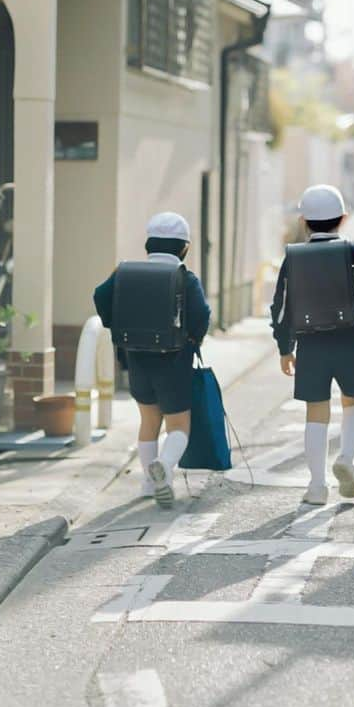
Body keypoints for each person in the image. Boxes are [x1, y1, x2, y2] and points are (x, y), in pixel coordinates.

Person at [270, 185, 354, 506]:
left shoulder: (294, 257)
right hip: (352, 340)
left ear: (304, 221)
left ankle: (317, 486)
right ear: (343, 219)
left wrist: (285, 347)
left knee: (316, 413)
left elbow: (280, 307)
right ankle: (347, 458)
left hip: (311, 346)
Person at [93, 212, 210, 508]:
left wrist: (116, 325)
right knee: (179, 425)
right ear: (184, 248)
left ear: (149, 244)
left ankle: (148, 483)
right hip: (173, 362)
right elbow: (202, 315)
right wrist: (194, 339)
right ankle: (165, 466)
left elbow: (100, 295)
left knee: (148, 421)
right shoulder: (185, 277)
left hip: (136, 361)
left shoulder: (125, 272)